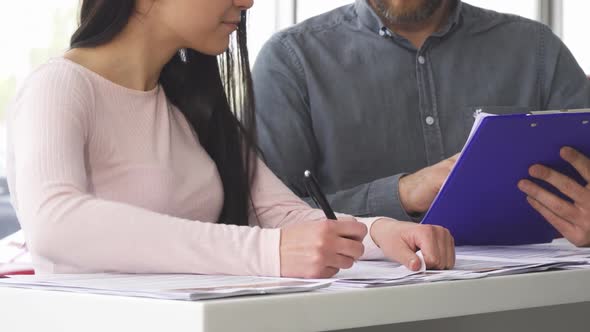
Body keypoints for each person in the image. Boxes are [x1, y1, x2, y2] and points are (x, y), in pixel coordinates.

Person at [6, 0, 455, 278]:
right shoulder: (59, 86)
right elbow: (55, 224)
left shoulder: (193, 104)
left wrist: (382, 232)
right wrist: (266, 251)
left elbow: (281, 213)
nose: (248, 1)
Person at [252, 0, 590, 246]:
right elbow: (263, 221)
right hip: (354, 311)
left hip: (532, 302)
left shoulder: (537, 50)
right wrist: (403, 193)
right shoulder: (291, 61)